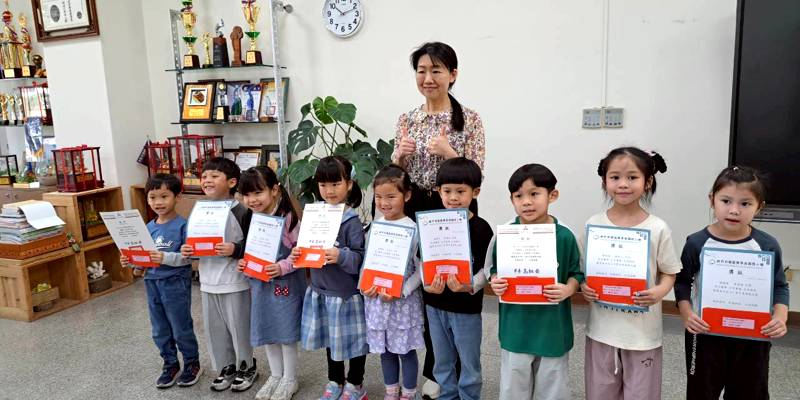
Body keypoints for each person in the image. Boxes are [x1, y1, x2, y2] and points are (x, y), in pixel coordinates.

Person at [392, 42, 486, 398]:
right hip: (418, 208)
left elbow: (477, 174)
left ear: (453, 75)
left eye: (436, 71)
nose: (428, 78)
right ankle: (436, 371)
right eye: (422, 71)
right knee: (427, 290)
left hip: (454, 209)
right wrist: (398, 157)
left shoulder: (470, 119)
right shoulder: (407, 118)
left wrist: (451, 154)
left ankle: (457, 372)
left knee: (454, 288)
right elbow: (395, 176)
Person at [675, 166, 789, 400]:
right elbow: (683, 283)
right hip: (705, 333)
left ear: (760, 207)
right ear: (712, 200)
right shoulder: (697, 242)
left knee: (749, 391)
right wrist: (687, 314)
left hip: (752, 337)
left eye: (745, 204)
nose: (734, 210)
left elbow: (779, 285)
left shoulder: (766, 245)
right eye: (726, 200)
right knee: (701, 391)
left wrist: (780, 316)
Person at [580, 147, 682, 400]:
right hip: (602, 329)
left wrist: (659, 291)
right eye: (615, 177)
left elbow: (670, 273)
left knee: (641, 393)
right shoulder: (594, 224)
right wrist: (584, 286)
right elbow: (582, 271)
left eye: (632, 177)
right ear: (604, 181)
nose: (623, 184)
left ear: (648, 183)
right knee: (600, 391)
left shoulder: (658, 228)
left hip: (642, 334)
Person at [488, 164, 583, 400]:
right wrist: (495, 280)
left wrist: (568, 288)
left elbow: (577, 272)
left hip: (552, 328)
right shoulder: (506, 233)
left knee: (553, 385)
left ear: (553, 195)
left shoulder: (564, 235)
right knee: (513, 386)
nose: (526, 202)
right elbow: (493, 268)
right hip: (515, 327)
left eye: (534, 194)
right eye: (518, 196)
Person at [289, 156, 368, 400]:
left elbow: (360, 260)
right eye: (323, 185)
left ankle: (355, 383)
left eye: (335, 184)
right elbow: (305, 248)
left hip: (346, 294)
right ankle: (335, 380)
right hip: (322, 292)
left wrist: (340, 255)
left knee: (355, 342)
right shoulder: (313, 215)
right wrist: (297, 252)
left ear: (350, 184)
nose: (329, 190)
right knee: (331, 341)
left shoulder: (351, 221)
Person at [180, 157, 258, 392]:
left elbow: (255, 244)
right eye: (204, 176)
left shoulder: (242, 210)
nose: (207, 180)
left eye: (215, 176)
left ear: (232, 182)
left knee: (239, 326)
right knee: (215, 330)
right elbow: (194, 241)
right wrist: (187, 250)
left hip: (235, 280)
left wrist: (235, 249)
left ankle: (247, 365)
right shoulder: (199, 209)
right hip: (208, 281)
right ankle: (226, 366)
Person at [120, 173, 201, 389]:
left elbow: (189, 258)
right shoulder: (148, 227)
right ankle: (170, 363)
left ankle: (192, 363)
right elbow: (144, 261)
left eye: (164, 196)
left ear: (177, 197)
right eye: (153, 197)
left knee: (180, 326)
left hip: (176, 283)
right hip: (152, 283)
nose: (158, 202)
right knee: (159, 329)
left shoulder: (184, 225)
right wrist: (132, 263)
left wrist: (164, 257)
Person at [422, 157, 492, 400]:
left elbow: (488, 269)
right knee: (441, 361)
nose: (453, 197)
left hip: (466, 307)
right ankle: (447, 396)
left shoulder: (482, 228)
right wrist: (426, 284)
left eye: (460, 191)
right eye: (446, 191)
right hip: (435, 305)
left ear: (476, 192)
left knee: (469, 362)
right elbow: (422, 261)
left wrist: (470, 285)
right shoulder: (431, 223)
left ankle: (470, 397)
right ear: (438, 191)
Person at [236, 166, 304, 400]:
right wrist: (245, 265)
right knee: (266, 329)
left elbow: (300, 253)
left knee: (285, 332)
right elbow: (249, 251)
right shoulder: (250, 217)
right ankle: (275, 375)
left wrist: (282, 266)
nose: (252, 200)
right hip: (260, 284)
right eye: (247, 195)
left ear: (274, 190)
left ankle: (290, 379)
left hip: (286, 284)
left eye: (258, 193)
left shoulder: (288, 218)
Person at [362, 165, 425, 400]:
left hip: (402, 303)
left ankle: (408, 394)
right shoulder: (374, 227)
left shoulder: (414, 229)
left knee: (405, 351)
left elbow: (421, 271)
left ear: (406, 195)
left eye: (391, 196)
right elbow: (367, 263)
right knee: (385, 350)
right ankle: (391, 392)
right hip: (377, 301)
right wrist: (364, 287)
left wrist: (402, 290)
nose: (384, 203)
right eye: (379, 197)